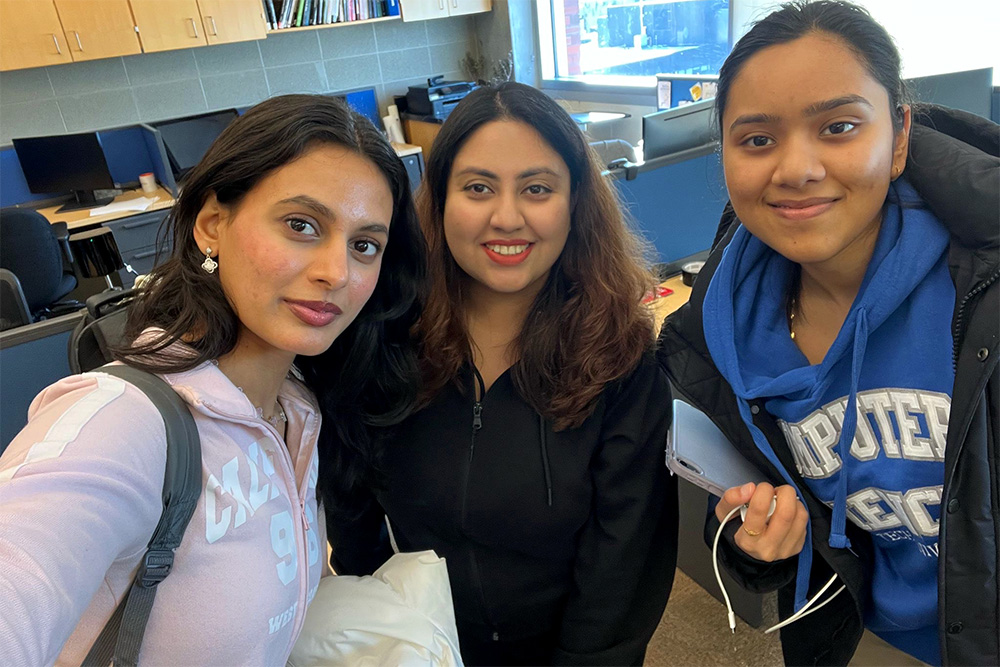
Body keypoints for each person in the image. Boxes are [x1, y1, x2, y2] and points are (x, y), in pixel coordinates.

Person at [0, 94, 425, 666]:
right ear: (211, 225)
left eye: (364, 245)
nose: (337, 272)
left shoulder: (297, 409)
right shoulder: (122, 423)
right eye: (301, 225)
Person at [658, 2, 999, 665]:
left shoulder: (978, 297)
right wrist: (754, 542)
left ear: (899, 135)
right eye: (757, 140)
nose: (796, 168)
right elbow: (741, 506)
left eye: (838, 127)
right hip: (865, 639)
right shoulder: (721, 333)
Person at [325, 81, 678, 666]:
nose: (507, 217)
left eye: (537, 189)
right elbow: (352, 514)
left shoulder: (618, 355)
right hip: (417, 646)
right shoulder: (383, 338)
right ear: (439, 201)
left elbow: (624, 562)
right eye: (478, 187)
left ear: (575, 202)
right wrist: (379, 635)